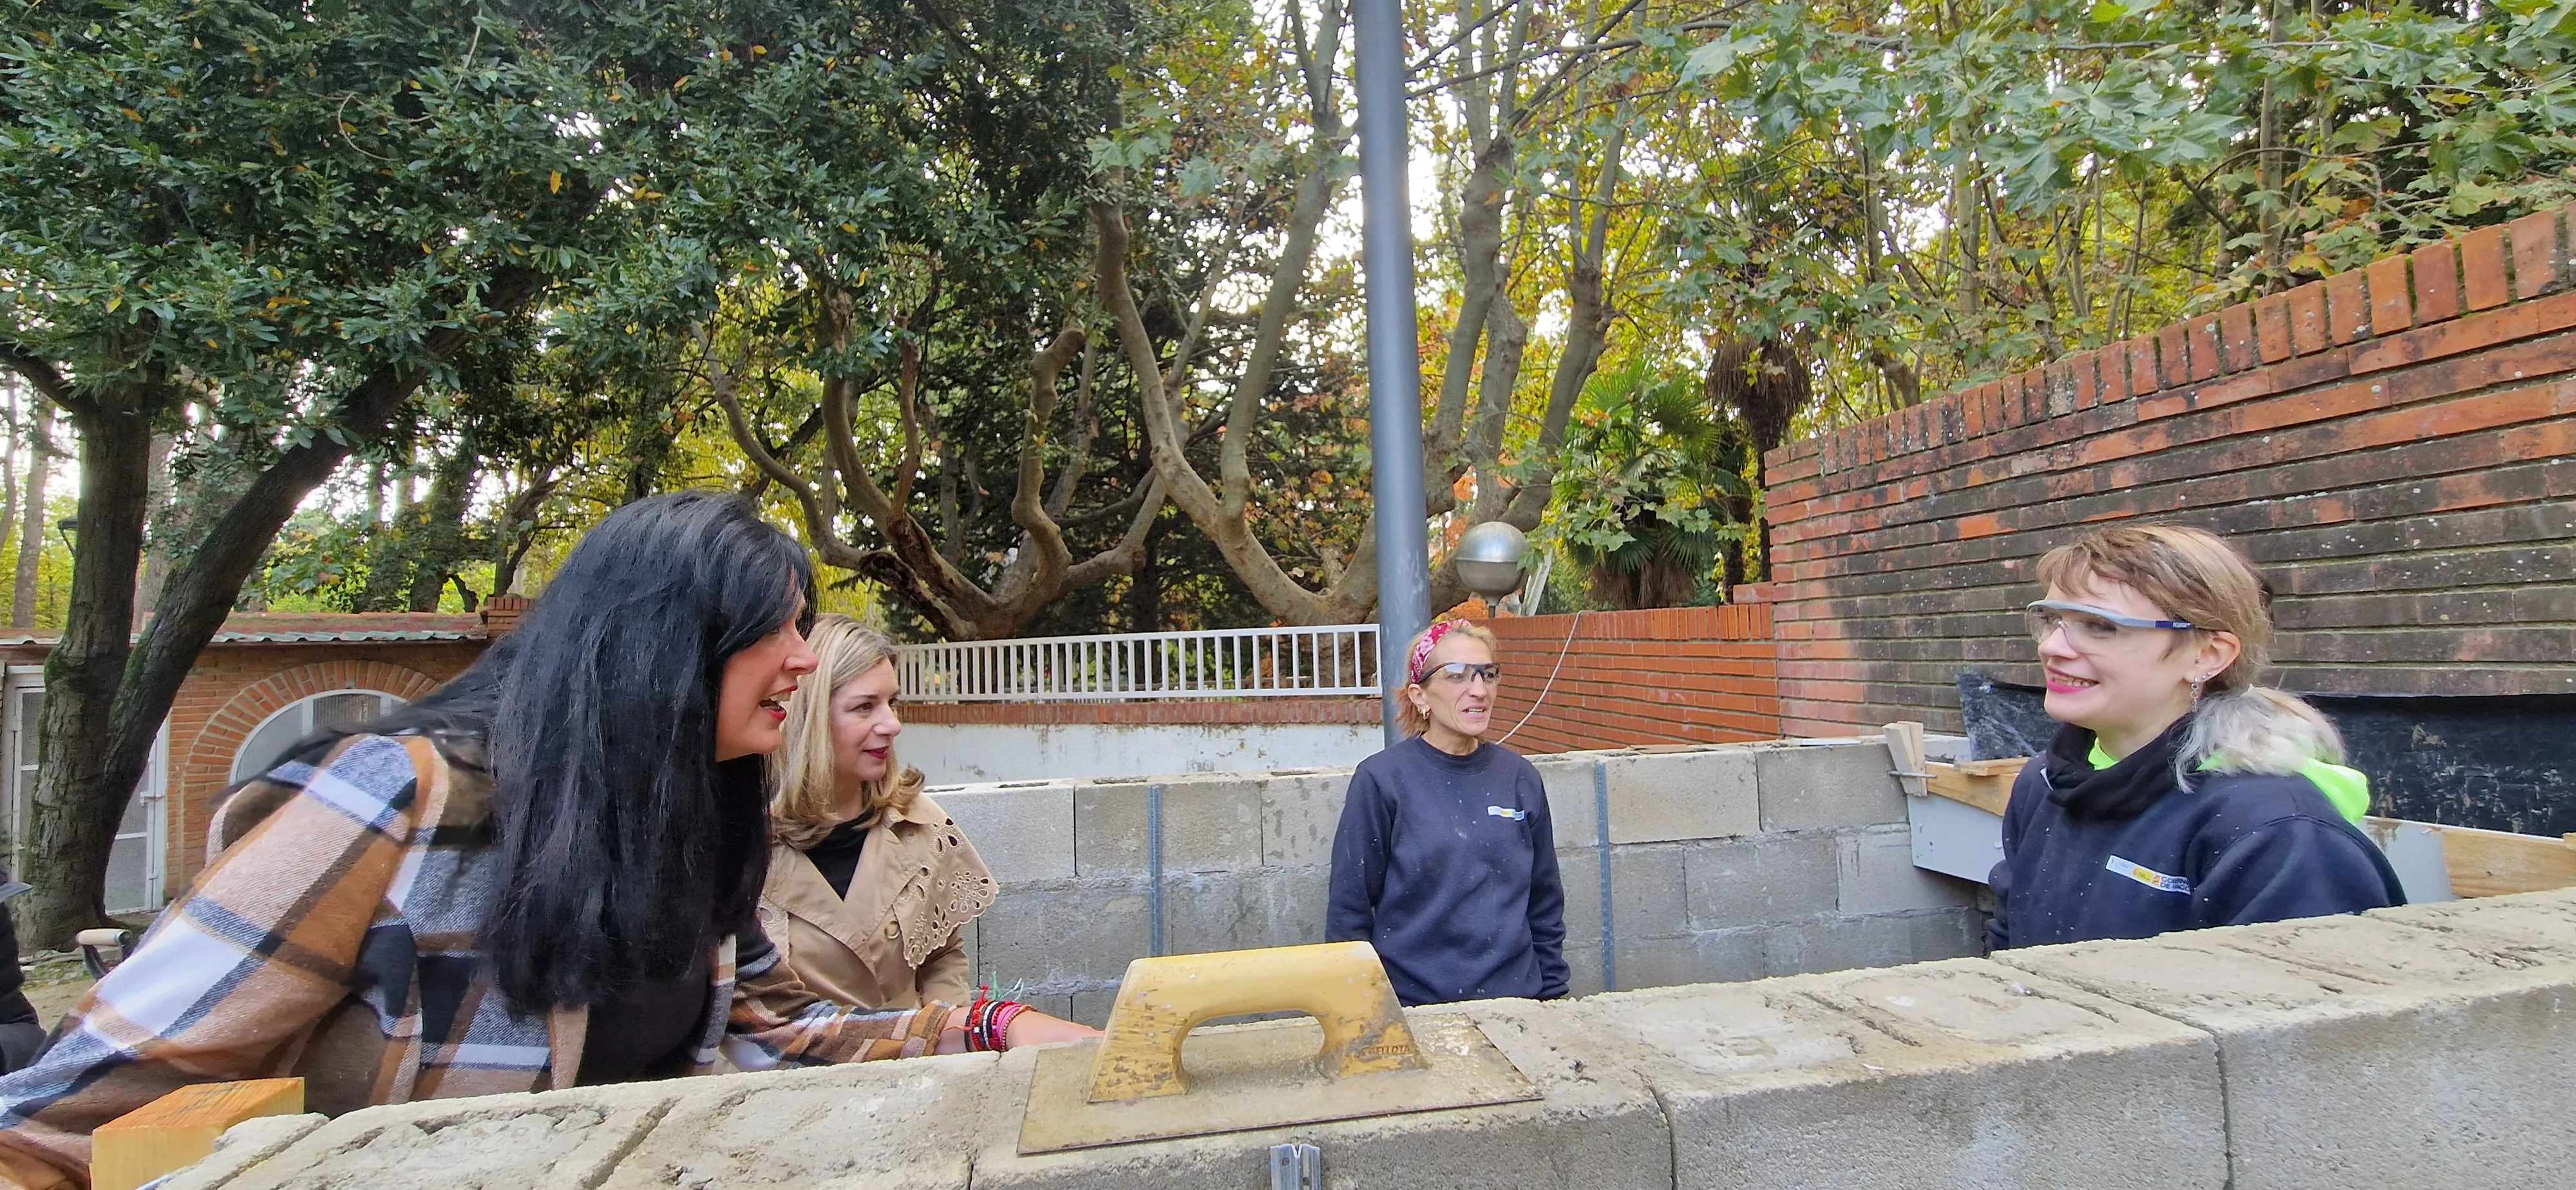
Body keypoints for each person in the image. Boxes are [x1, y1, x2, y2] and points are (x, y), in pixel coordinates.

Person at [0, 494, 1057, 1189]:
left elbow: (773, 1036)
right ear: (662, 643)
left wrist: (991, 1029)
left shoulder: (683, 827)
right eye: (777, 627)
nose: (803, 659)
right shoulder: (401, 798)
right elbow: (64, 1112)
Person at [1985, 524, 2404, 950]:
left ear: (2207, 655)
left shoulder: (2281, 832)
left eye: (2100, 626)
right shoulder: (2046, 782)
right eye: (2052, 620)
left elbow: (2316, 987)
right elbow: (2010, 947)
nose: (2052, 647)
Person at [760, 616, 1086, 1047]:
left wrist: (947, 1046)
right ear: (811, 719)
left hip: (916, 1066)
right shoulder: (738, 843)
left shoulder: (919, 823)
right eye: (865, 707)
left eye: (892, 702)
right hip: (798, 1076)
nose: (892, 724)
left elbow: (942, 955)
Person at [1328, 620, 1568, 1006]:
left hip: (1516, 1005)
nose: (1479, 689)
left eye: (1488, 674)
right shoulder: (1382, 780)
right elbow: (1348, 912)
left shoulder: (1520, 778)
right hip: (1415, 1007)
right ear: (1419, 695)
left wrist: (1553, 998)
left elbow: (1545, 903)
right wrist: (1362, 1009)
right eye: (1457, 675)